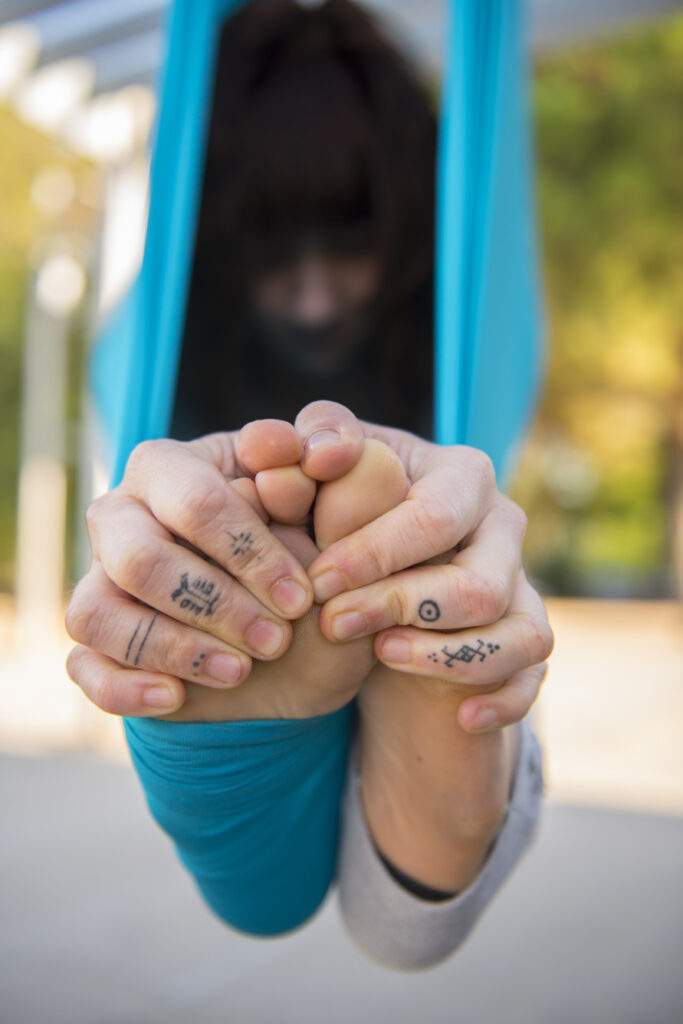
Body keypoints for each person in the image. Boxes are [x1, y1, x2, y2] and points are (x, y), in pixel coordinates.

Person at [65, 0, 552, 969]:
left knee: (456, 562)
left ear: (407, 224)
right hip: (237, 541)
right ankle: (322, 676)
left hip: (431, 526)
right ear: (215, 244)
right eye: (278, 258)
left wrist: (476, 568)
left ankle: (418, 687)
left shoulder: (457, 327)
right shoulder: (157, 348)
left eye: (349, 246)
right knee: (189, 515)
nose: (318, 293)